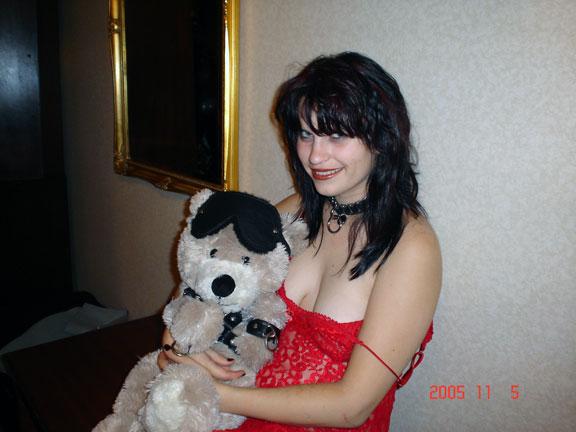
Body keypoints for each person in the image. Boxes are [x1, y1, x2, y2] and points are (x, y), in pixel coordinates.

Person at [158, 51, 442, 431]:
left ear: (382, 138)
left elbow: (352, 406)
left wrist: (214, 393)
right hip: (230, 414)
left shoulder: (411, 248)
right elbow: (204, 271)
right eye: (306, 134)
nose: (315, 156)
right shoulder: (298, 209)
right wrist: (176, 341)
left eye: (336, 135)